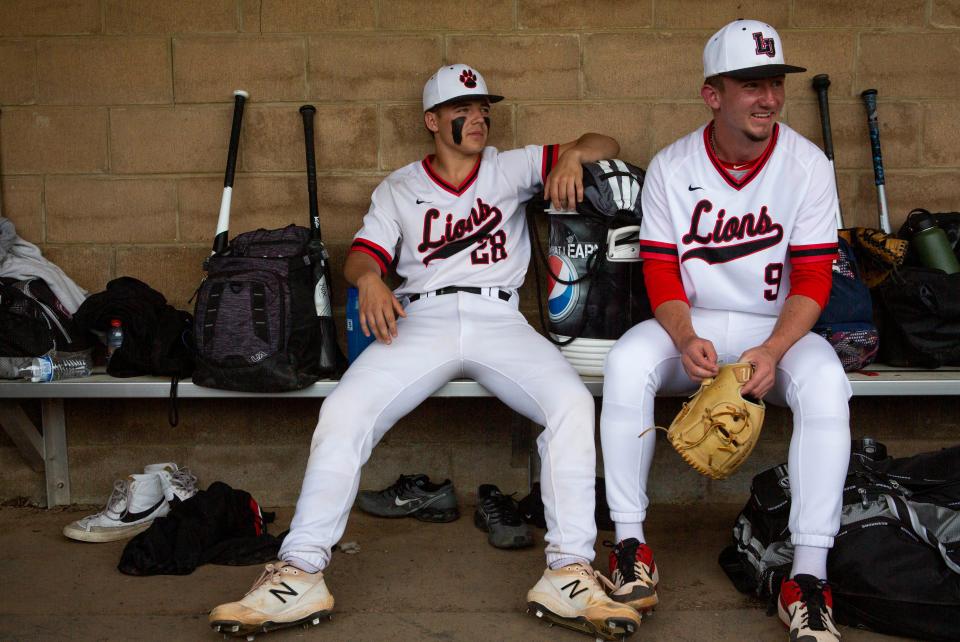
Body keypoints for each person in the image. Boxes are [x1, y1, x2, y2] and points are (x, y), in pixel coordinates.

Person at [209, 64, 643, 640]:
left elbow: (605, 144)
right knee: (343, 410)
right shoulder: (399, 187)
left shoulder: (511, 166)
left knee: (570, 405)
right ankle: (302, 569)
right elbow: (362, 256)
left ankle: (568, 568)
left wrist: (571, 157)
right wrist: (368, 282)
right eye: (465, 108)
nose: (480, 117)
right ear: (432, 121)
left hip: (499, 317)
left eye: (485, 107)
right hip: (422, 317)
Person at [599, 20, 850, 641]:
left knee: (827, 386)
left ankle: (808, 579)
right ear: (713, 94)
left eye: (775, 83)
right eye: (751, 85)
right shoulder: (672, 164)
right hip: (695, 326)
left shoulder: (808, 164)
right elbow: (659, 269)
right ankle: (631, 546)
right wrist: (682, 337)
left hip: (776, 327)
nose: (768, 97)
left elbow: (815, 278)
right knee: (628, 364)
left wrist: (772, 350)